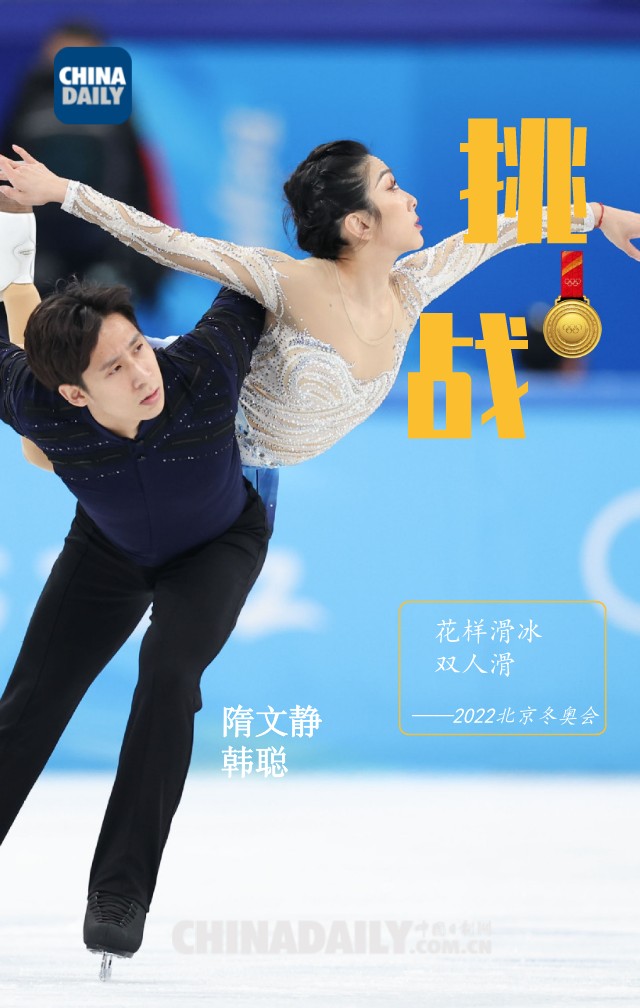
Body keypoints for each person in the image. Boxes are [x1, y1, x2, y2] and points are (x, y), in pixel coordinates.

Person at [1, 139, 639, 473]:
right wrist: (62, 190)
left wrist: (600, 215)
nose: (411, 198)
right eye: (392, 187)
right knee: (37, 425)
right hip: (166, 408)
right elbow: (167, 242)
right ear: (358, 224)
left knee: (43, 441)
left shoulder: (410, 289)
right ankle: (14, 263)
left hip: (236, 472)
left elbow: (499, 231)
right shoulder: (292, 281)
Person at [0, 198, 271, 973]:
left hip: (218, 547)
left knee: (168, 676)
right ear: (74, 394)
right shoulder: (33, 399)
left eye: (137, 349)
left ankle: (119, 895)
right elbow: (14, 329)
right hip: (107, 550)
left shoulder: (202, 367)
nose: (140, 372)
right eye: (113, 369)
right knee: (30, 703)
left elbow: (255, 281)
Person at [1, 22, 168, 303]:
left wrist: (149, 259)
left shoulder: (117, 112)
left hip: (104, 242)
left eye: (81, 51)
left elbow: (137, 181)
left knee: (105, 313)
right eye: (64, 50)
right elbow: (7, 172)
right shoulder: (27, 101)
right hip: (40, 243)